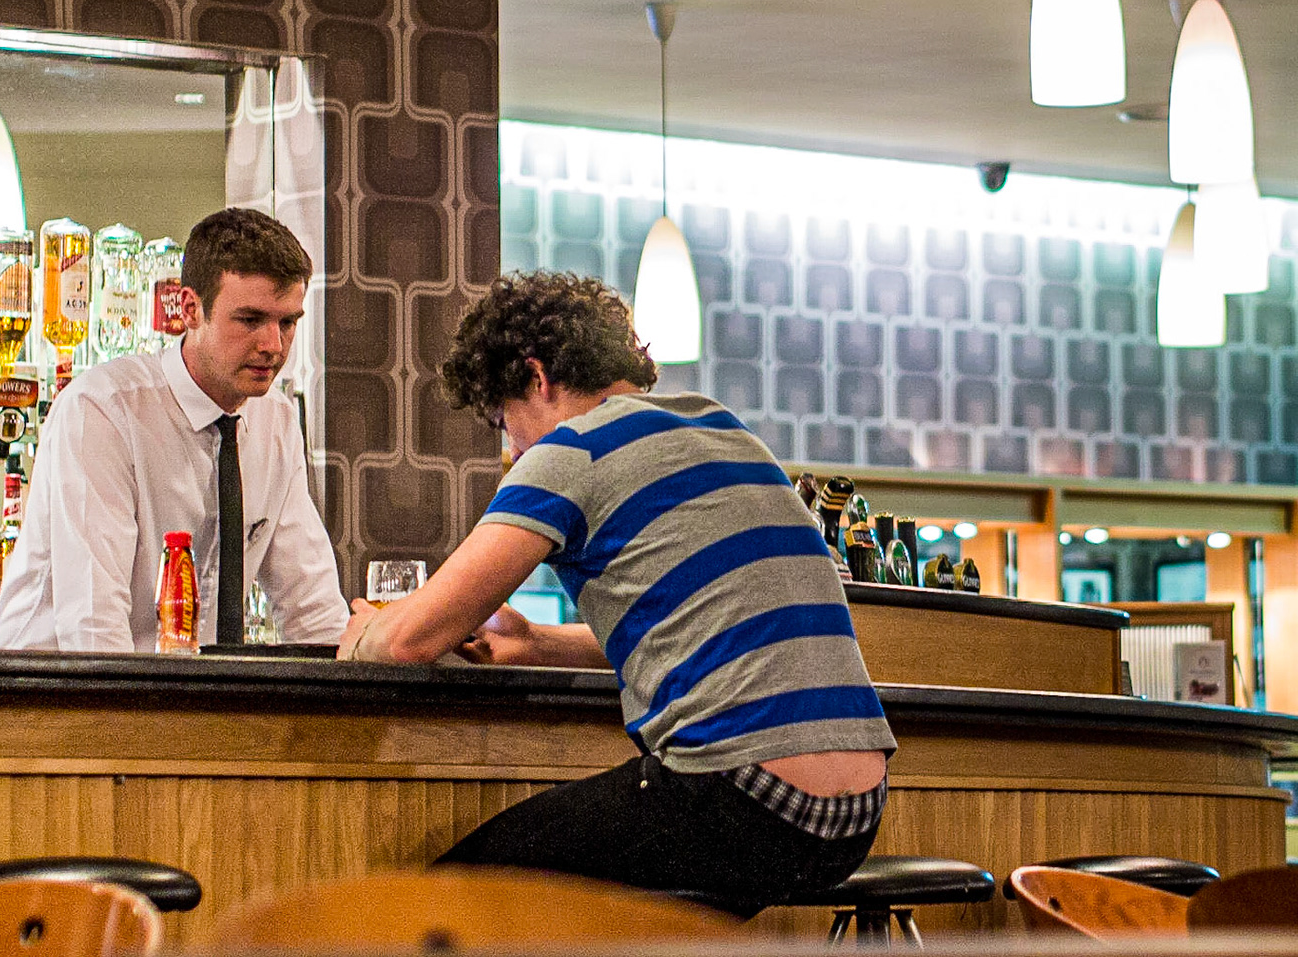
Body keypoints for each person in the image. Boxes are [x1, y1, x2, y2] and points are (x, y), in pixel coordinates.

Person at [337, 271, 893, 916]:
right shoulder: (726, 430)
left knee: (447, 903)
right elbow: (700, 628)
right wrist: (536, 643)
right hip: (857, 811)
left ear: (535, 376)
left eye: (502, 418)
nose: (508, 446)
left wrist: (361, 639)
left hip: (746, 791)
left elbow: (410, 639)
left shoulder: (570, 449)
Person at [0, 209, 348, 651]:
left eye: (287, 322)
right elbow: (94, 629)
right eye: (250, 320)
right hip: (43, 704)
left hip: (179, 700)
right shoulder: (101, 411)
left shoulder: (274, 420)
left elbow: (312, 607)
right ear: (189, 309)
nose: (273, 345)